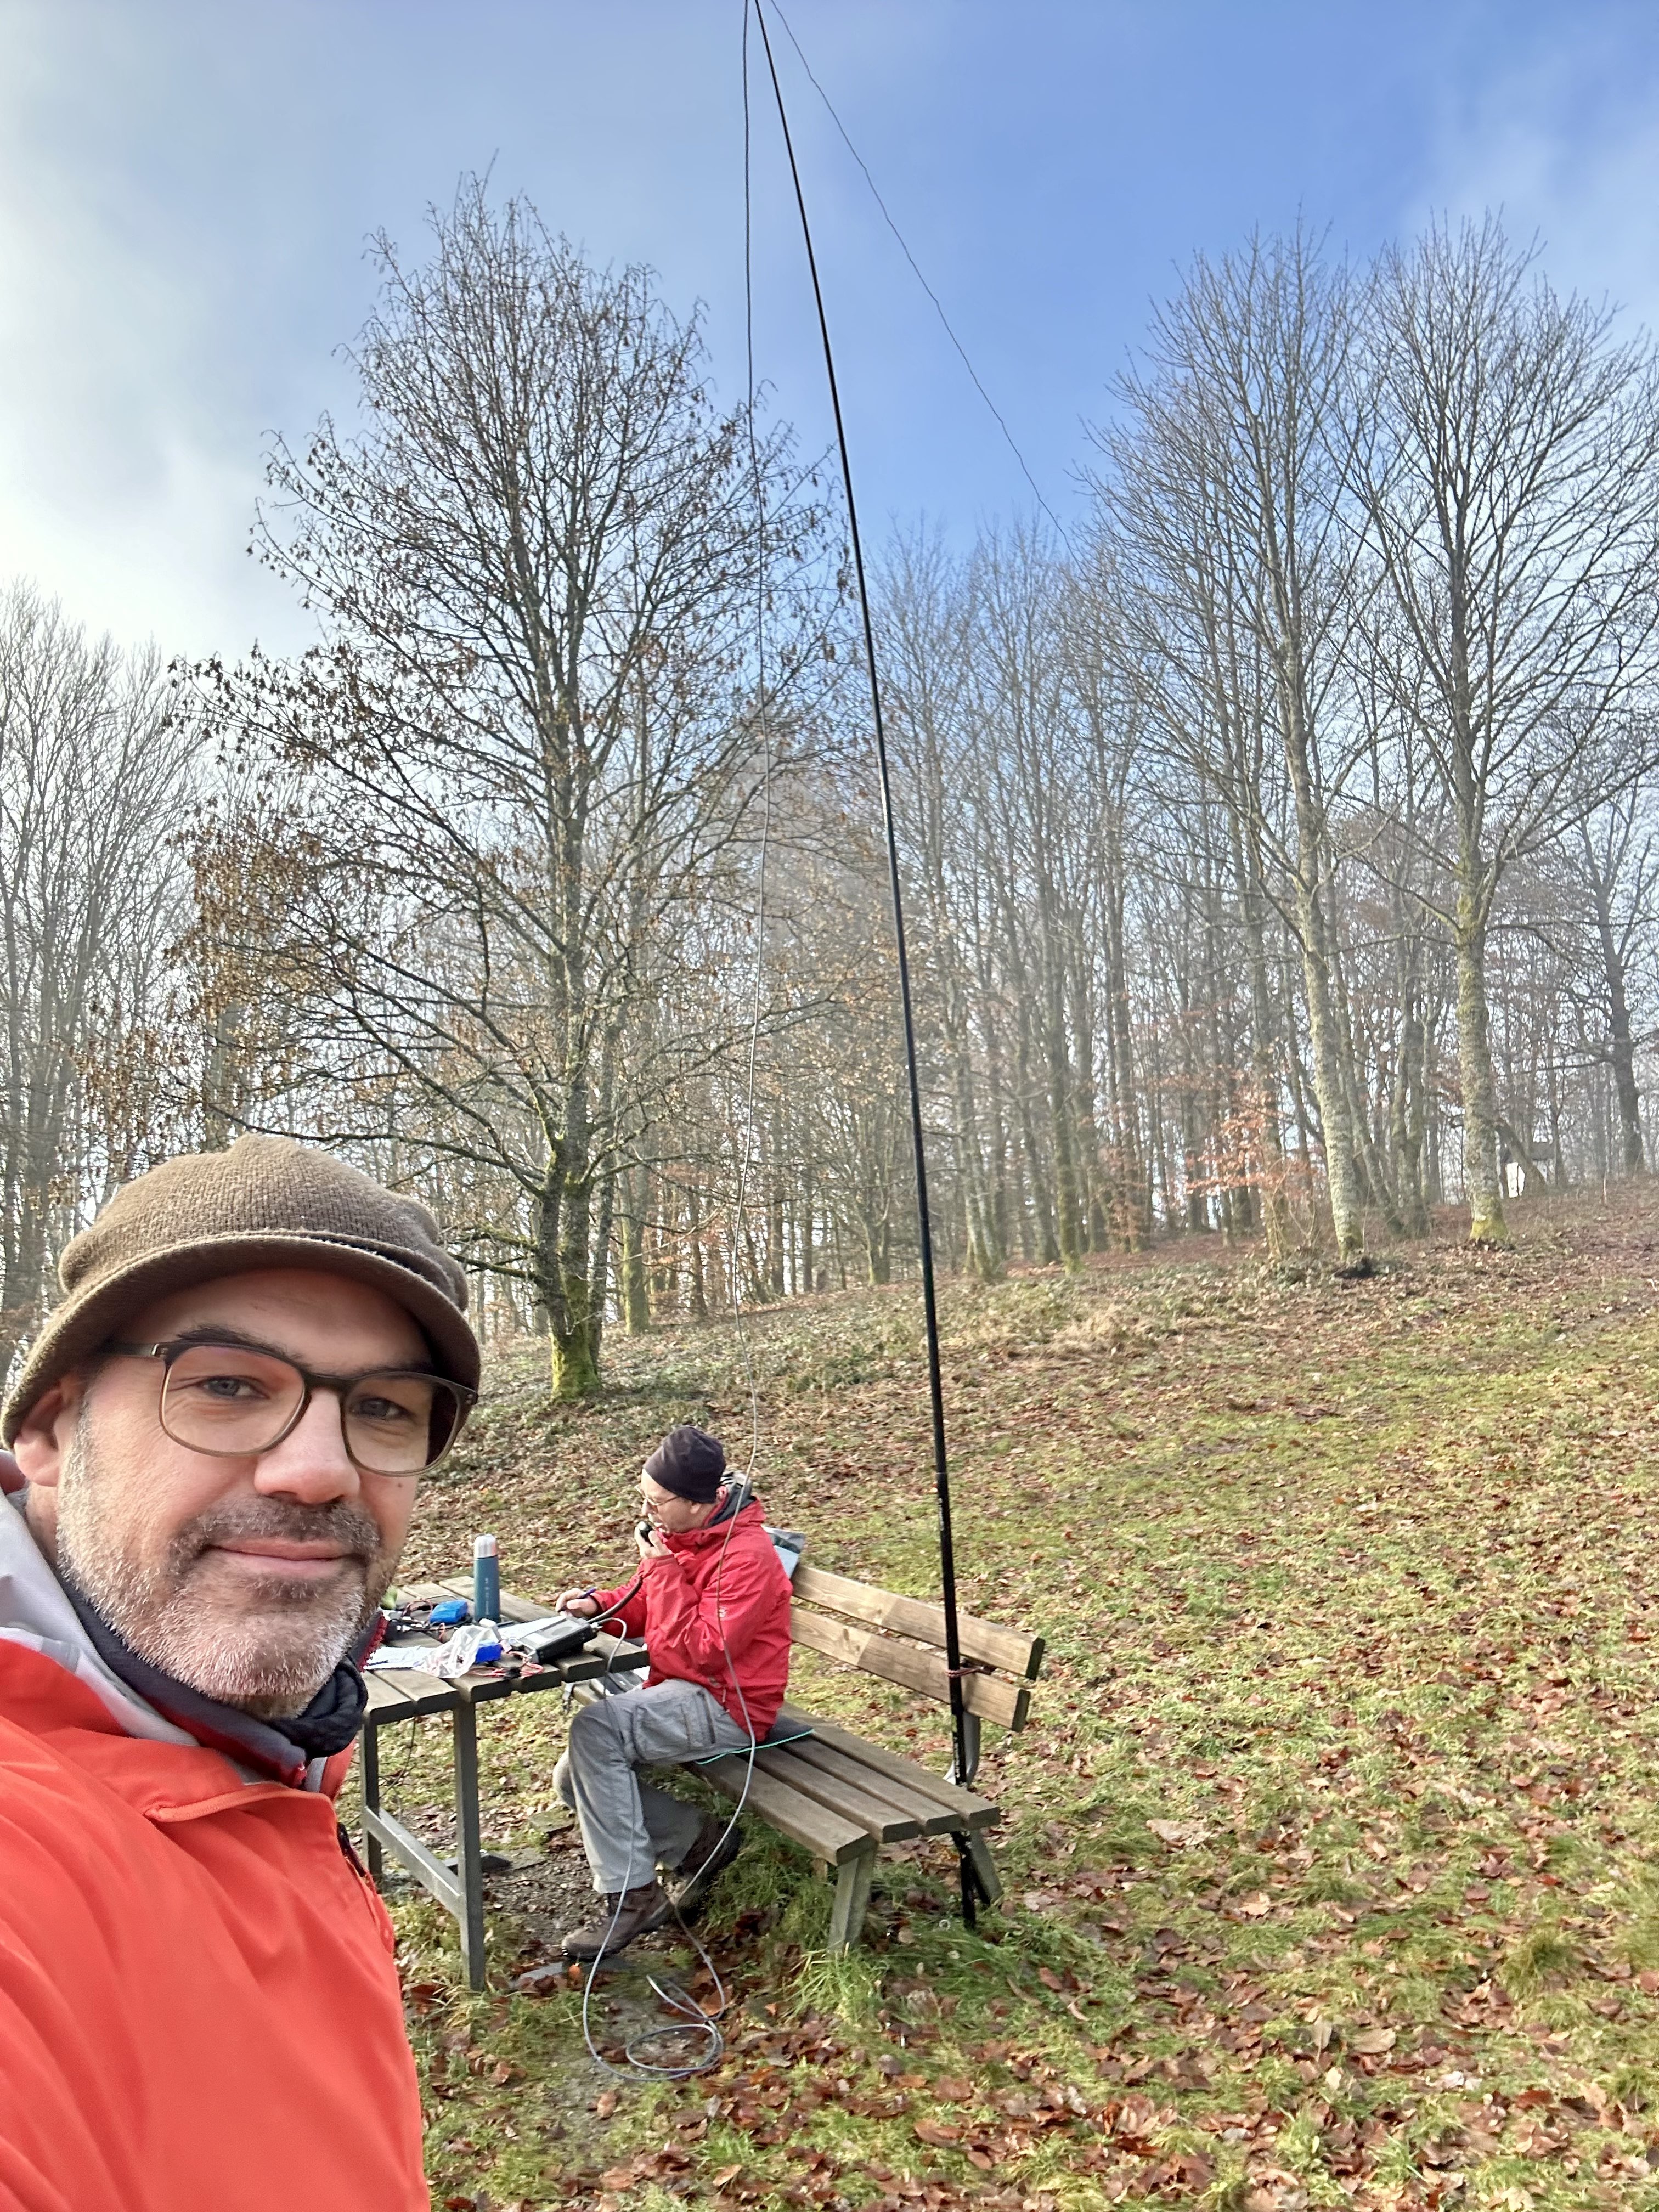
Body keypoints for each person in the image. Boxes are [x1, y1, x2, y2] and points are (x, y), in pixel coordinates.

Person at [0, 1135, 481, 2212]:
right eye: (225, 1384)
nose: (319, 1470)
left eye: (383, 1407)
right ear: (50, 1429)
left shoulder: (263, 1757)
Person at [553, 1424, 792, 1960]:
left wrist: (660, 1569)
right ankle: (700, 1842)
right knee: (573, 1776)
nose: (646, 1510)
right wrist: (601, 1605)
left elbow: (708, 1650)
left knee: (595, 1730)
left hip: (729, 1704)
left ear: (697, 1502)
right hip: (683, 1688)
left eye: (656, 1501)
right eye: (644, 1496)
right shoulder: (690, 1535)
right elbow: (652, 1603)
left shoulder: (747, 1557)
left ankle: (632, 1897)